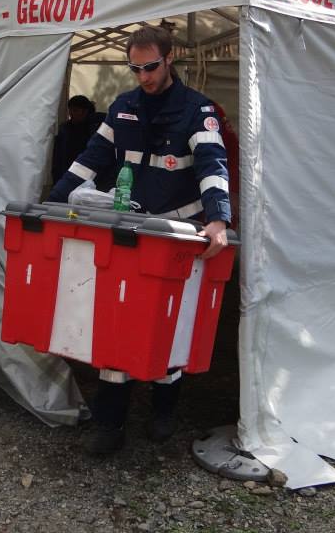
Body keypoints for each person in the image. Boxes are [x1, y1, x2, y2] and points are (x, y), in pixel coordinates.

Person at [49, 25, 231, 455]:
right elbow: (90, 158)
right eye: (134, 68)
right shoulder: (124, 106)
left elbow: (212, 165)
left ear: (169, 59)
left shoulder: (198, 110)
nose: (143, 76)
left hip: (177, 238)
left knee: (172, 329)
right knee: (116, 327)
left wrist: (219, 220)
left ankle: (164, 410)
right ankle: (111, 424)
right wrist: (53, 203)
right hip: (131, 235)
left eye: (150, 67)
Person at [51, 95, 105, 186]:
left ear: (85, 111)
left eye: (76, 110)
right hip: (69, 174)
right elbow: (58, 157)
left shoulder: (97, 125)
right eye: (70, 110)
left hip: (91, 176)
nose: (72, 114)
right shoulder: (65, 128)